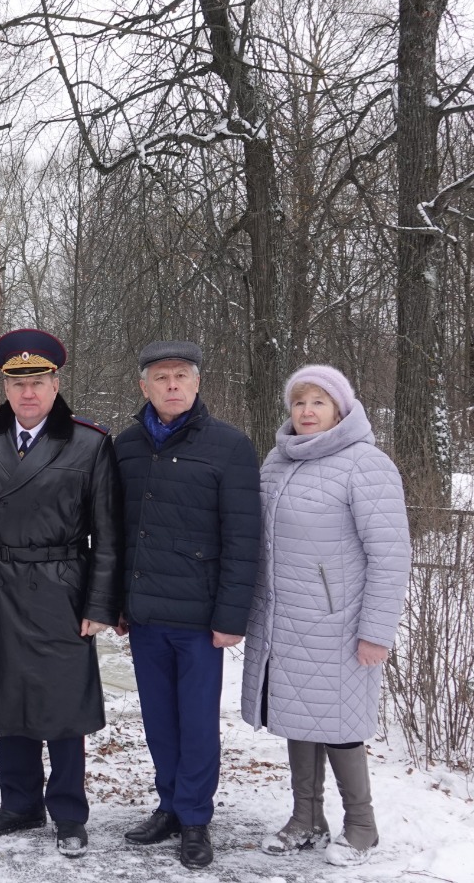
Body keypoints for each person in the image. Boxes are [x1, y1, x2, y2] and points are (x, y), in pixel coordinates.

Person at [0, 329, 122, 858]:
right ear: (4, 385)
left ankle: (68, 811)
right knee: (9, 695)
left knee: (63, 703)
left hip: (61, 585)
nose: (28, 393)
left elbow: (108, 534)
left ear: (56, 383)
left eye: (39, 382)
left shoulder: (89, 441)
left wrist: (99, 604)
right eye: (17, 382)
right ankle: (19, 801)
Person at [241, 365, 410, 867]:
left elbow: (390, 554)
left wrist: (376, 631)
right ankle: (306, 819)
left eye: (318, 402)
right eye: (299, 402)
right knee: (300, 716)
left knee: (339, 725)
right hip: (283, 622)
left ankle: (362, 826)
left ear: (340, 409)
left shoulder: (366, 464)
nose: (307, 411)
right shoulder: (276, 460)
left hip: (340, 624)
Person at [114, 341, 261, 870]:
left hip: (200, 619)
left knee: (197, 720)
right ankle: (169, 806)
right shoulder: (126, 447)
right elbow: (116, 533)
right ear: (144, 386)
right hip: (146, 614)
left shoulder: (229, 446)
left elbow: (244, 540)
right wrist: (118, 604)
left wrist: (230, 617)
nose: (172, 385)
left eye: (181, 376)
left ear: (197, 384)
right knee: (158, 719)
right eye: (161, 377)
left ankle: (196, 818)